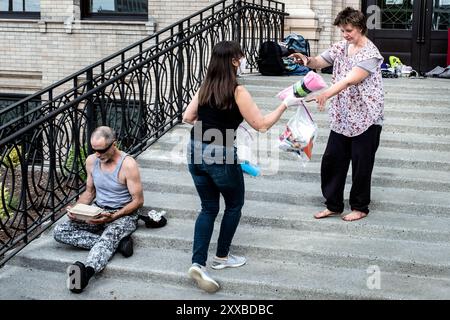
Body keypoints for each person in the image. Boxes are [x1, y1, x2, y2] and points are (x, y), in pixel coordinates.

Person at [183, 40, 302, 293]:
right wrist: (284, 104)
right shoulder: (238, 91)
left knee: (208, 208)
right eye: (242, 56)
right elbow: (261, 125)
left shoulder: (205, 87)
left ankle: (198, 263)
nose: (245, 58)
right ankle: (222, 258)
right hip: (220, 151)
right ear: (235, 61)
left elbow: (188, 117)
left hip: (195, 148)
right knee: (234, 204)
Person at [290, 7, 384, 222]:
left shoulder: (370, 54)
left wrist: (325, 94)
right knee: (332, 160)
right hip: (343, 116)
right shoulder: (342, 46)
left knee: (361, 164)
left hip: (367, 117)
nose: (345, 35)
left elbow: (350, 79)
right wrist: (305, 60)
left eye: (348, 30)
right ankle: (333, 205)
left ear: (360, 27)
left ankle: (360, 207)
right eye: (342, 30)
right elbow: (319, 62)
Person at [53, 126, 144, 293]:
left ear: (113, 144)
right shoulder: (91, 160)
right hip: (98, 211)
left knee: (108, 236)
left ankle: (86, 274)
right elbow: (89, 192)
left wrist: (113, 216)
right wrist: (77, 210)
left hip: (123, 214)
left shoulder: (128, 164)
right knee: (60, 230)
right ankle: (117, 244)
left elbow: (138, 201)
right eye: (94, 150)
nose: (98, 154)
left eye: (101, 150)